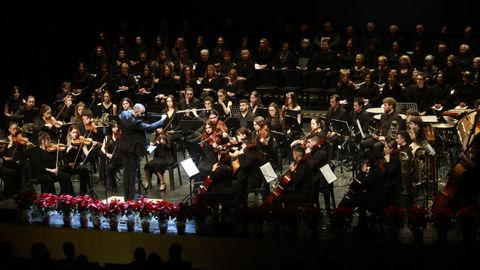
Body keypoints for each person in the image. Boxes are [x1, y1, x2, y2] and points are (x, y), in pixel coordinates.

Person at [118, 103, 166, 200]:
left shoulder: (124, 115)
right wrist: (162, 120)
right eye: (142, 113)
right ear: (136, 112)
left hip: (124, 148)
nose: (143, 115)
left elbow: (122, 114)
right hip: (132, 151)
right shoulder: (136, 123)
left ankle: (126, 197)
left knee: (126, 172)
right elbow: (150, 127)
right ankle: (132, 198)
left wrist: (131, 112)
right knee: (132, 174)